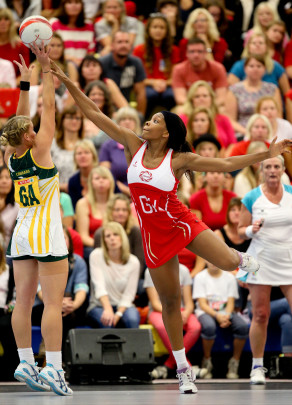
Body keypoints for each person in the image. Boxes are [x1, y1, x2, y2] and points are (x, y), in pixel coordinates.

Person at [50, 58, 292, 393]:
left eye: (152, 120)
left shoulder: (179, 160)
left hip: (181, 221)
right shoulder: (133, 144)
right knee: (171, 301)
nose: (145, 123)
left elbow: (225, 162)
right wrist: (68, 82)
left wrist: (265, 154)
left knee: (227, 261)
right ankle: (183, 369)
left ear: (165, 132)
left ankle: (243, 260)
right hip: (154, 236)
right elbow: (94, 113)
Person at [0, 45, 72, 395]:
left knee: (24, 301)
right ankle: (55, 369)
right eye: (30, 129)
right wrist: (46, 71)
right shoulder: (41, 150)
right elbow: (49, 111)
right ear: (29, 135)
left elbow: (17, 122)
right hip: (47, 234)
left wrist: (24, 84)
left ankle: (25, 360)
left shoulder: (11, 156)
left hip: (22, 234)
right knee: (53, 303)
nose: (33, 128)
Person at [237, 155, 292, 385]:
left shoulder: (291, 193)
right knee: (260, 314)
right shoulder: (251, 197)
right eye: (267, 166)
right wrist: (252, 229)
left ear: (282, 169)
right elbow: (240, 230)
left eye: (276, 166)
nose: (272, 170)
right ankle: (257, 366)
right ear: (261, 170)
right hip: (262, 260)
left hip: (288, 259)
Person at [32, 226, 89, 351]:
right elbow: (39, 290)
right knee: (56, 313)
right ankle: (53, 355)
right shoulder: (40, 261)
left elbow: (81, 288)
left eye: (63, 238)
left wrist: (73, 305)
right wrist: (56, 304)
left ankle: (58, 356)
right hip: (42, 305)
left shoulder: (78, 262)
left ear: (69, 241)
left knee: (68, 314)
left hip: (68, 306)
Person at [193, 260, 249, 379]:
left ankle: (235, 362)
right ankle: (207, 361)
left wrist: (226, 315)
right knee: (209, 327)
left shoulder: (229, 277)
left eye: (215, 258)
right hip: (206, 311)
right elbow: (202, 304)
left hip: (225, 313)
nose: (213, 262)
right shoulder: (200, 277)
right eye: (209, 258)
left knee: (242, 327)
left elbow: (231, 302)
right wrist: (217, 316)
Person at [144, 263, 202, 379]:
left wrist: (186, 312)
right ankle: (188, 367)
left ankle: (168, 364)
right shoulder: (150, 270)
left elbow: (189, 303)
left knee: (195, 327)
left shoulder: (183, 270)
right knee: (161, 326)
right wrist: (175, 313)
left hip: (181, 309)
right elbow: (155, 303)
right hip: (159, 310)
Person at [87, 221, 140, 329]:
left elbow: (129, 294)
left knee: (132, 319)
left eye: (115, 234)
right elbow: (99, 287)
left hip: (123, 305)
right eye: (108, 236)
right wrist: (108, 309)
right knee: (107, 322)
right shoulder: (96, 255)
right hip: (99, 305)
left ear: (122, 237)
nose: (112, 238)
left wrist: (118, 314)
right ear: (104, 240)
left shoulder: (134, 262)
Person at [133, 12, 180, 119]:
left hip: (167, 85)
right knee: (150, 95)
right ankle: (143, 124)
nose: (158, 30)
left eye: (162, 27)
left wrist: (164, 83)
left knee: (171, 96)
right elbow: (137, 78)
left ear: (167, 30)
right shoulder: (139, 50)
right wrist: (153, 82)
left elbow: (175, 76)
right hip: (146, 85)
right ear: (148, 29)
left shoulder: (174, 50)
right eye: (155, 27)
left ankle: (172, 127)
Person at [225, 55, 281, 137]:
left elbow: (278, 116)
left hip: (268, 133)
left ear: (264, 69)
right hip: (243, 133)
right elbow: (230, 119)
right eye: (251, 66)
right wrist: (248, 132)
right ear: (245, 68)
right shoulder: (235, 89)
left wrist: (267, 133)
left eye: (259, 66)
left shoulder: (272, 89)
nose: (255, 69)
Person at [94, 193, 145, 276]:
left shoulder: (136, 232)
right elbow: (100, 265)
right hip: (108, 277)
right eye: (117, 210)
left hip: (131, 276)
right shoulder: (100, 234)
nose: (121, 213)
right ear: (110, 212)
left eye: (124, 210)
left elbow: (140, 262)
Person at [98, 30, 147, 116]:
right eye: (120, 42)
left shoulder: (136, 62)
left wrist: (140, 117)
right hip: (106, 109)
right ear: (112, 45)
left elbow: (141, 93)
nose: (123, 45)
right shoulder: (102, 63)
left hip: (125, 108)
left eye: (126, 42)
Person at [172, 38, 228, 108]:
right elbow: (180, 99)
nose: (196, 55)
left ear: (205, 53)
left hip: (212, 107)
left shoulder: (218, 68)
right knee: (179, 109)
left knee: (222, 109)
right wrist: (197, 108)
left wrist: (206, 107)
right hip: (189, 107)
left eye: (200, 51)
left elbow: (221, 98)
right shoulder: (178, 69)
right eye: (192, 51)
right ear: (186, 53)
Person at [75, 165, 115, 261]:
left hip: (117, 246)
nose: (101, 181)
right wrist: (105, 247)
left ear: (110, 182)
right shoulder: (83, 203)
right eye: (97, 178)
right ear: (91, 183)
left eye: (104, 178)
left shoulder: (117, 202)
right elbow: (83, 237)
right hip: (93, 247)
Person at [50, 105, 84, 192]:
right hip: (57, 192)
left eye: (77, 118)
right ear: (62, 120)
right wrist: (62, 187)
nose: (74, 121)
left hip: (80, 192)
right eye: (70, 117)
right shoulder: (52, 144)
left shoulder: (86, 144)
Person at [50, 0, 96, 65]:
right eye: (69, 2)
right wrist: (73, 60)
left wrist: (84, 64)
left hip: (83, 67)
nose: (73, 5)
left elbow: (91, 52)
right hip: (61, 65)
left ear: (82, 6)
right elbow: (50, 50)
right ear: (63, 5)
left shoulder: (89, 25)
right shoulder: (54, 23)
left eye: (77, 2)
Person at [0, 8, 30, 83]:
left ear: (11, 23)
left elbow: (25, 74)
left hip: (12, 89)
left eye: (6, 19)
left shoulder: (21, 46)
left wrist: (9, 85)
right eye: (0, 19)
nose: (3, 22)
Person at [68, 138, 99, 210]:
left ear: (93, 156)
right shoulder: (73, 181)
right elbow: (74, 209)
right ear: (75, 158)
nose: (83, 156)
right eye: (79, 153)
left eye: (86, 152)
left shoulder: (104, 176)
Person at [0, 166, 18, 252]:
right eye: (0, 177)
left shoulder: (16, 207)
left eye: (7, 177)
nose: (4, 181)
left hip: (7, 255)